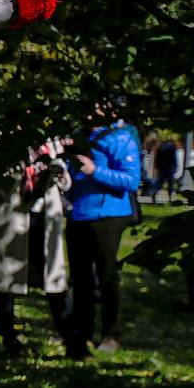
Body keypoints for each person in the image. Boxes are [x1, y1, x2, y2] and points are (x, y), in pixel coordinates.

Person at [0, 135, 79, 356]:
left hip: (45, 218)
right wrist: (32, 157)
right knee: (7, 280)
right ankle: (8, 337)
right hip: (14, 217)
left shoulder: (55, 143)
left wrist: (59, 169)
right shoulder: (6, 144)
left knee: (54, 279)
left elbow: (66, 184)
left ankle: (70, 338)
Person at [66, 94, 141, 354]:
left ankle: (111, 333)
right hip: (77, 214)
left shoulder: (121, 138)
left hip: (108, 216)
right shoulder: (75, 136)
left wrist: (95, 171)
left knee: (107, 276)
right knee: (80, 278)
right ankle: (80, 332)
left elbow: (131, 181)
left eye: (96, 104)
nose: (89, 109)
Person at [148, 136, 179, 201]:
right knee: (170, 183)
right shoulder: (172, 146)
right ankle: (170, 197)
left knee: (160, 183)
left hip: (162, 167)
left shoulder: (160, 147)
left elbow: (157, 158)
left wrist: (156, 167)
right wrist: (176, 166)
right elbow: (174, 158)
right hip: (170, 167)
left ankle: (154, 193)